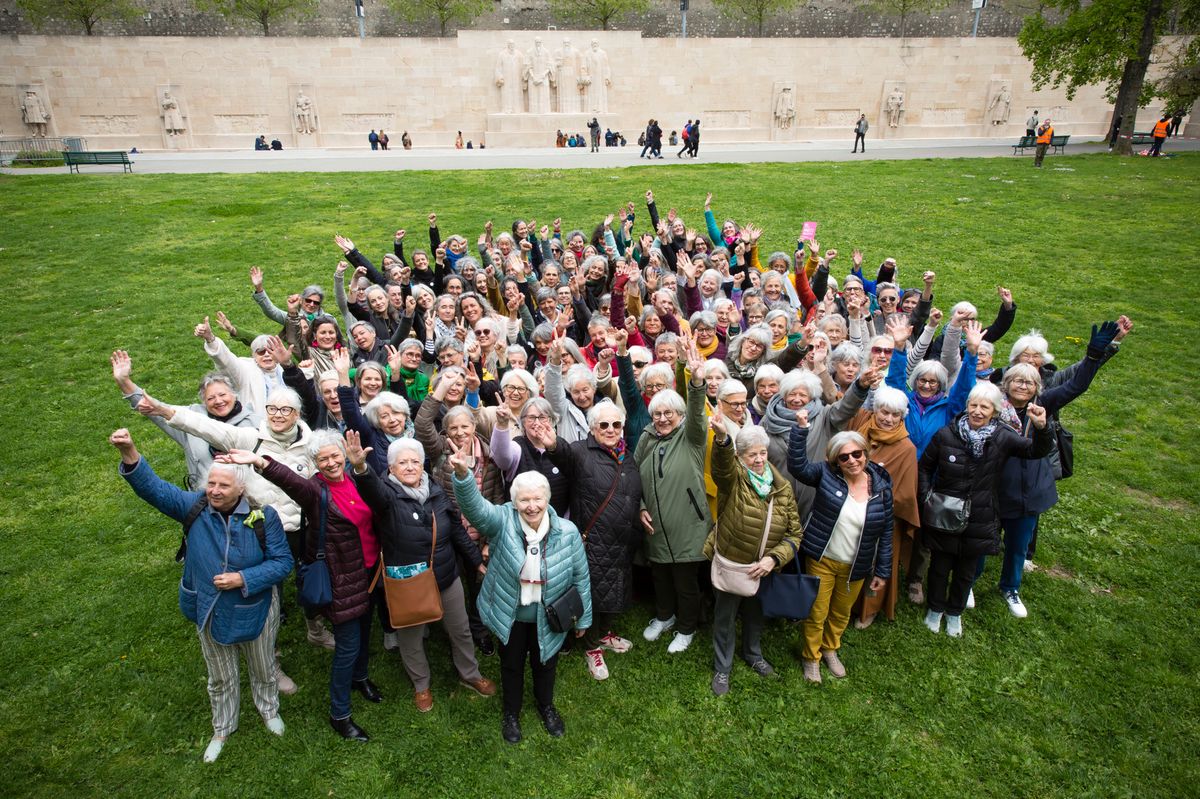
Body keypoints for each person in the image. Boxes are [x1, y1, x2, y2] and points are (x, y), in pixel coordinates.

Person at [111, 428, 292, 763]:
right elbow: (155, 490)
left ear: (242, 487)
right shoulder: (195, 508)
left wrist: (242, 578)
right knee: (220, 675)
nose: (215, 491)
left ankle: (268, 711)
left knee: (263, 667)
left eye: (224, 485)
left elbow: (282, 564)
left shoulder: (264, 518)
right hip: (211, 608)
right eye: (211, 484)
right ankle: (222, 728)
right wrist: (130, 452)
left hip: (257, 606)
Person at [220, 432, 381, 741]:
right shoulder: (315, 492)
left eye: (336, 456)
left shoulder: (354, 478)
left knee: (365, 630)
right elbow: (290, 481)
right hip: (342, 577)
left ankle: (360, 678)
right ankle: (340, 714)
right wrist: (259, 461)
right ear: (315, 464)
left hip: (371, 571)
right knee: (347, 646)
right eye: (324, 459)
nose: (332, 463)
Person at [451, 441, 592, 744]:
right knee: (511, 665)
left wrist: (582, 620)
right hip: (512, 614)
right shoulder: (502, 521)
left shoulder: (566, 531)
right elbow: (476, 510)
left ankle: (546, 706)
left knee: (546, 663)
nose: (531, 506)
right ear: (514, 502)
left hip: (550, 615)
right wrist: (463, 476)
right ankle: (511, 713)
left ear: (548, 499)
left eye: (537, 499)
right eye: (524, 500)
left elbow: (581, 576)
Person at [350, 434, 494, 712]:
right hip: (408, 582)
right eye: (401, 462)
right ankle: (421, 685)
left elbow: (456, 530)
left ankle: (470, 674)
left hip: (445, 575)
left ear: (423, 465)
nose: (409, 466)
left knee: (461, 629)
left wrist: (475, 560)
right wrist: (361, 469)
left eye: (414, 461)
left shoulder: (437, 491)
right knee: (411, 637)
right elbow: (371, 490)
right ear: (391, 469)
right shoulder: (386, 496)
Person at [918, 383, 1052, 637]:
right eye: (973, 405)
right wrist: (926, 497)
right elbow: (925, 467)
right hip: (945, 511)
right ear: (967, 406)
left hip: (981, 513)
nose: (978, 411)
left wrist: (1042, 428)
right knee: (939, 566)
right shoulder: (947, 434)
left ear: (994, 411)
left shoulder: (1002, 436)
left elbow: (1035, 451)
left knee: (966, 570)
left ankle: (955, 613)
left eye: (984, 407)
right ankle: (935, 608)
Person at [543, 402, 643, 681]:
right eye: (604, 425)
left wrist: (642, 509)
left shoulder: (627, 455)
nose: (610, 430)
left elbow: (634, 488)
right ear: (592, 428)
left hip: (622, 538)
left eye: (616, 425)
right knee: (595, 594)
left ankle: (604, 634)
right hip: (594, 539)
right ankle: (591, 647)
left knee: (615, 588)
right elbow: (563, 455)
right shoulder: (581, 452)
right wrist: (553, 446)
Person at [787, 425, 893, 683]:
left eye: (856, 454)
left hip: (856, 565)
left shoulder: (881, 488)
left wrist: (882, 570)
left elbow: (887, 530)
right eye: (843, 457)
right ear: (835, 461)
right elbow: (798, 466)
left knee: (841, 612)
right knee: (817, 611)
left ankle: (830, 648)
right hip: (822, 560)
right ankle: (811, 656)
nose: (852, 461)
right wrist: (800, 430)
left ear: (865, 454)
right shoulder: (825, 475)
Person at [705, 419, 802, 696]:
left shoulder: (782, 489)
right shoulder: (734, 479)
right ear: (740, 457)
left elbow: (795, 534)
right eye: (751, 455)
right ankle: (722, 668)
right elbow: (722, 468)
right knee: (725, 617)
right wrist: (723, 439)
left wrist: (773, 559)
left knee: (755, 614)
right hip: (732, 565)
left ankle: (753, 654)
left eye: (762, 453)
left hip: (764, 569)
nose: (758, 459)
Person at [635, 340, 712, 654]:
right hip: (655, 525)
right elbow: (634, 476)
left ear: (679, 415)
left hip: (687, 525)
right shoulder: (647, 437)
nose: (663, 418)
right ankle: (664, 617)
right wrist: (640, 506)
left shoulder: (692, 436)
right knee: (661, 576)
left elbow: (697, 411)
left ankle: (686, 628)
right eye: (658, 413)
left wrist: (695, 381)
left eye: (669, 413)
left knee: (685, 581)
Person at [848, 386, 920, 629]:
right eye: (884, 412)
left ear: (902, 416)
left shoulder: (906, 448)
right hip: (849, 508)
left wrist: (875, 504)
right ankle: (846, 604)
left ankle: (869, 609)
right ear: (875, 410)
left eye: (895, 415)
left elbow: (905, 493)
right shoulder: (861, 427)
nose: (888, 419)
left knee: (878, 562)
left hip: (883, 517)